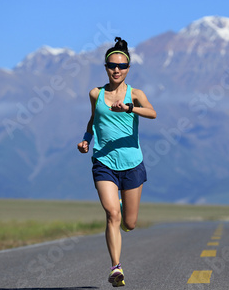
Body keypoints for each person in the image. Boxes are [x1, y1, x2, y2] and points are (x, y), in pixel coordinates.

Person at [77, 37, 156, 287]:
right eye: (112, 65)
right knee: (112, 214)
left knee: (129, 224)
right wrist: (86, 139)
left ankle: (123, 207)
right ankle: (116, 268)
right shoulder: (96, 94)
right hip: (104, 162)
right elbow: (93, 120)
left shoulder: (136, 94)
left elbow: (152, 113)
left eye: (121, 66)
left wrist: (130, 108)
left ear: (128, 68)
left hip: (132, 163)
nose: (116, 70)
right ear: (106, 67)